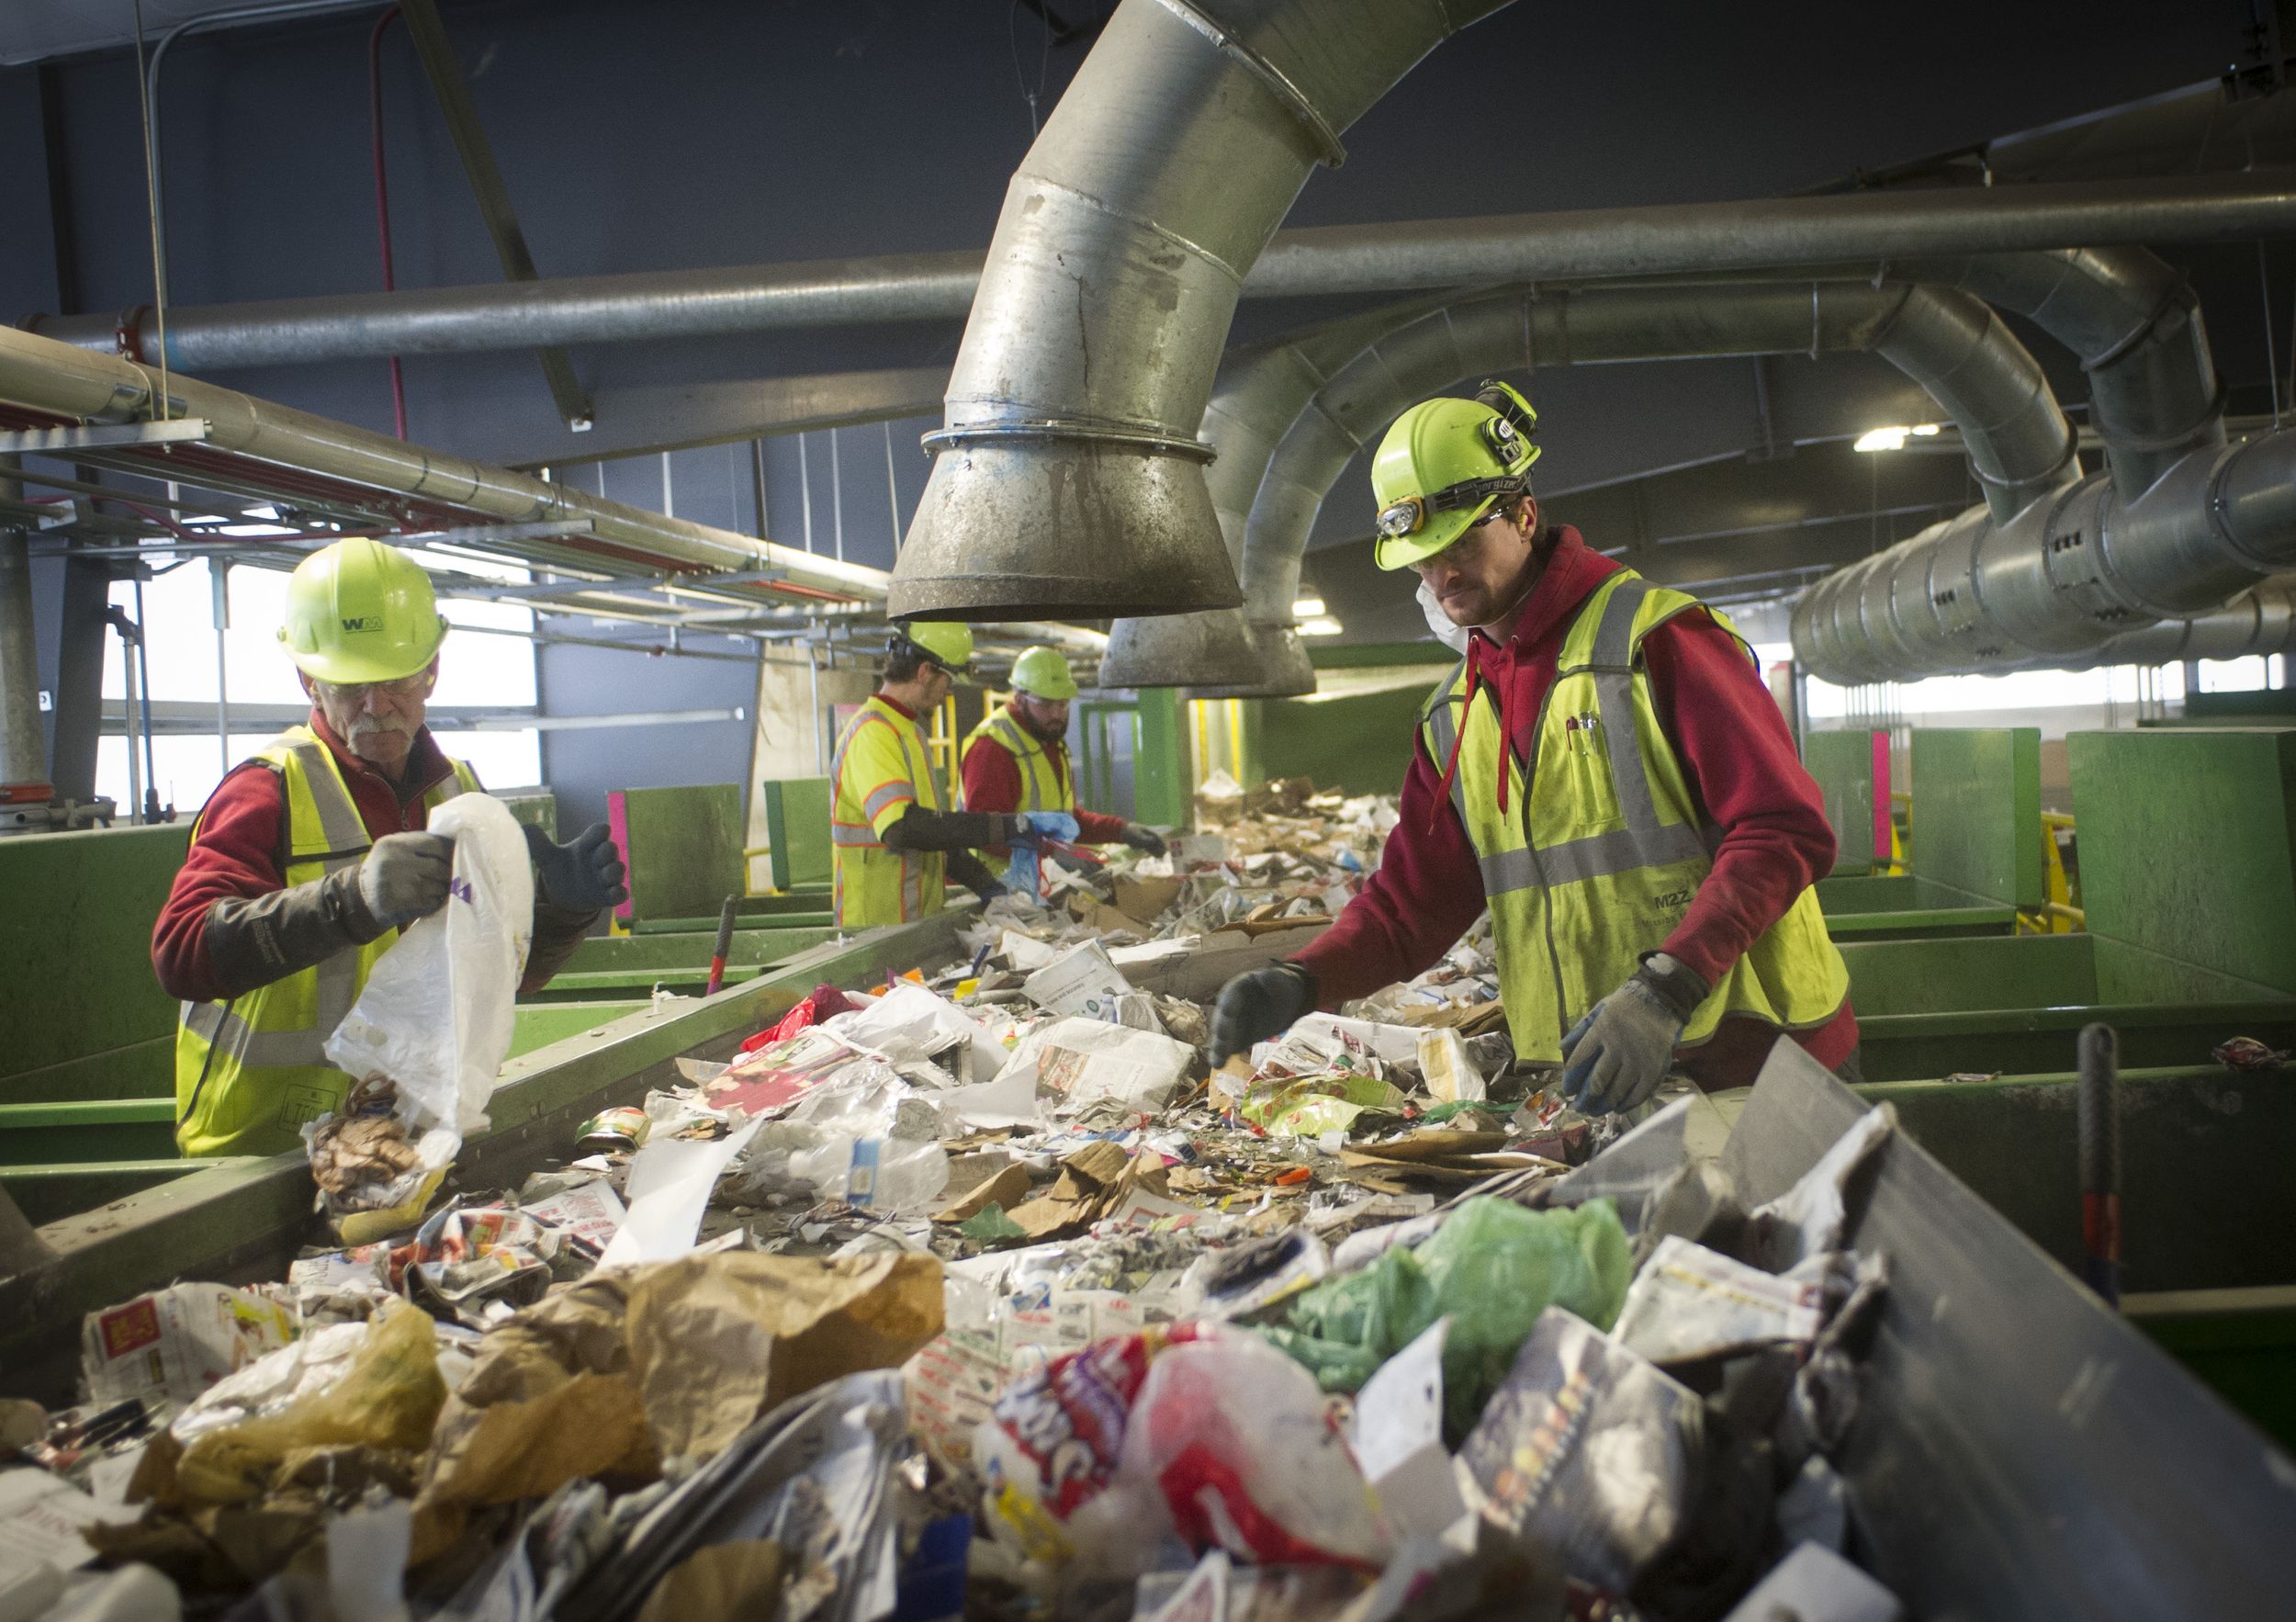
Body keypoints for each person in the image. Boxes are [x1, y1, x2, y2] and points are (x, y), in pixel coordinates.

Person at [1211, 381, 1856, 1114]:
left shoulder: (1656, 641)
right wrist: (1304, 977)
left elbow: (1785, 830)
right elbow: (1410, 908)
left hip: (1760, 1066)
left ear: (1523, 515)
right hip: (1601, 1085)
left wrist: (1668, 986)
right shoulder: (1456, 713)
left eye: (1461, 543)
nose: (1442, 574)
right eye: (1422, 558)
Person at [152, 538, 629, 1157]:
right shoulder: (267, 790)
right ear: (309, 681)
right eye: (350, 685)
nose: (376, 705)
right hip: (264, 1155)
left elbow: (504, 978)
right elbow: (181, 955)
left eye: (395, 680)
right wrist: (349, 900)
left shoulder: (461, 795)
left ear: (431, 670)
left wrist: (562, 913)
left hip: (409, 1137)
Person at [830, 623, 1045, 929]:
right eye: (948, 679)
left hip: (914, 925)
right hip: (874, 931)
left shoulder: (911, 734)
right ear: (925, 672)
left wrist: (985, 885)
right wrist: (1002, 826)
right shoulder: (872, 732)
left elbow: (934, 833)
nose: (948, 691)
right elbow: (902, 828)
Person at [960, 646, 1166, 861]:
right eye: (1046, 704)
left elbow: (1067, 820)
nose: (1057, 714)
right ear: (1019, 699)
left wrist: (1121, 830)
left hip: (1042, 882)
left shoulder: (1048, 742)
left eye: (1063, 704)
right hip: (1000, 886)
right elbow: (986, 834)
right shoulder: (993, 748)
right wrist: (1055, 854)